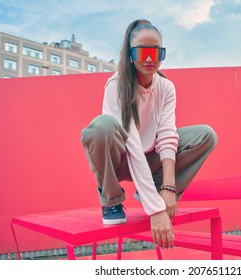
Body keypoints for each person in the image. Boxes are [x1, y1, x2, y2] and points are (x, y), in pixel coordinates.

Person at [81, 19, 217, 249]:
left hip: (150, 157)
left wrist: (168, 187)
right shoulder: (116, 85)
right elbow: (132, 142)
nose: (149, 59)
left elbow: (167, 136)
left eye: (156, 52)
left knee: (206, 135)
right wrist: (156, 209)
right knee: (101, 127)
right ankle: (111, 199)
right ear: (130, 54)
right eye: (142, 52)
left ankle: (153, 189)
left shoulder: (166, 87)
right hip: (120, 158)